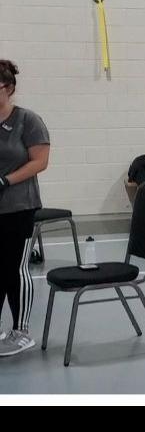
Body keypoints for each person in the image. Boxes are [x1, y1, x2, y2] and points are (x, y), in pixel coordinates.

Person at [0, 59, 51, 358]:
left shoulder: (27, 121)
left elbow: (40, 162)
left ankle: (22, 332)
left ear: (8, 88)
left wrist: (5, 181)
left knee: (14, 268)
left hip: (19, 206)